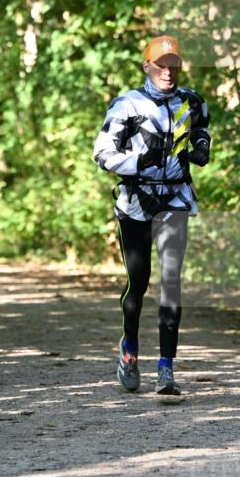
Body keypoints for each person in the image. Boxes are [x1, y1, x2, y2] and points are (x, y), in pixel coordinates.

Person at [93, 34, 211, 396]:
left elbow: (202, 130)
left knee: (171, 280)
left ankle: (166, 369)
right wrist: (137, 161)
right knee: (139, 282)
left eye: (174, 66)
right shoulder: (127, 104)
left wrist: (201, 149)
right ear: (147, 66)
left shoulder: (191, 101)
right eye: (162, 66)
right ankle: (129, 347)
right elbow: (101, 153)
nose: (169, 72)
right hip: (136, 201)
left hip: (176, 199)